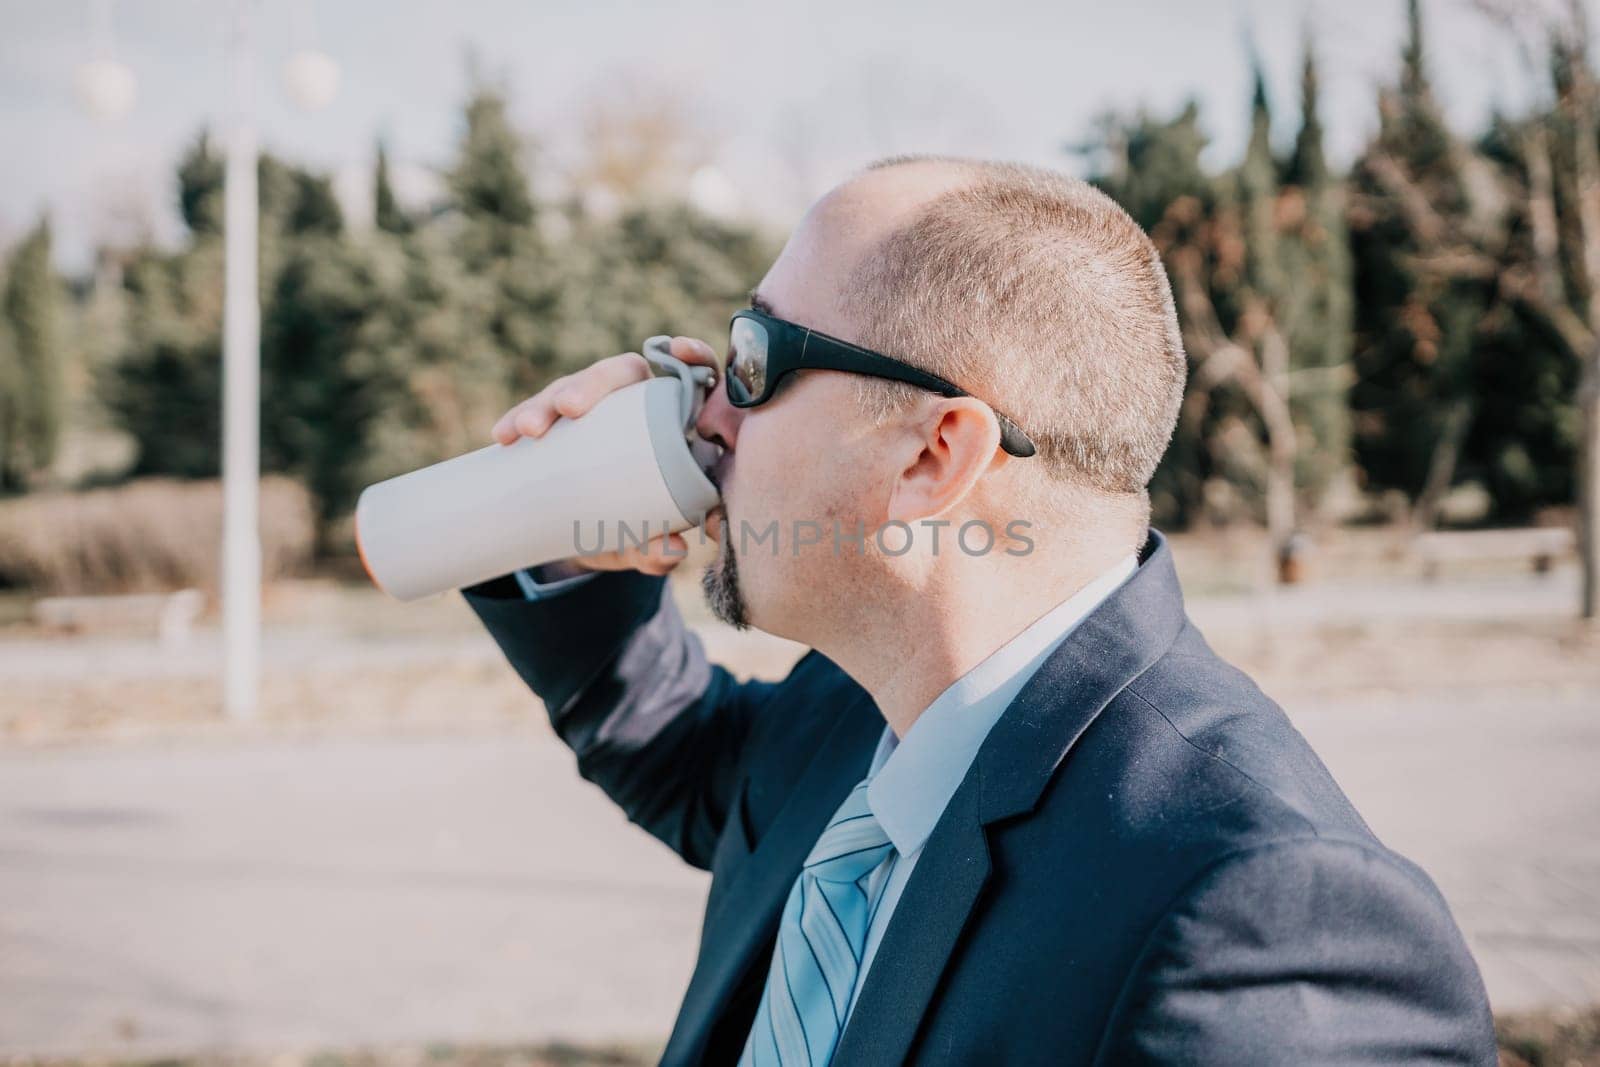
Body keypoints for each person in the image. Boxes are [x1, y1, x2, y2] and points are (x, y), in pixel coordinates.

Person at [460, 156, 1495, 1066]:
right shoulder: (863, 698)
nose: (703, 409)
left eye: (752, 356)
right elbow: (686, 759)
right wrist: (562, 513)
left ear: (933, 454)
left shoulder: (1270, 925)